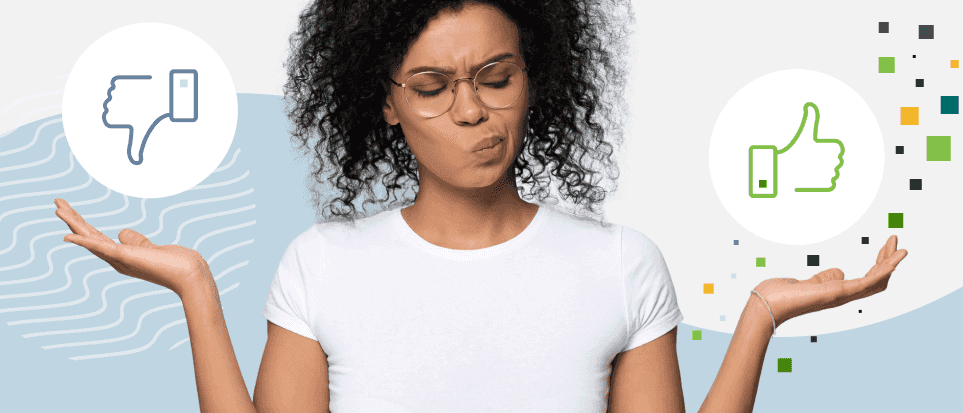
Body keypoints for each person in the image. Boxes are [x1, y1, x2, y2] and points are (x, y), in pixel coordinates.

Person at [53, 0, 909, 412]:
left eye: (496, 79)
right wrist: (196, 289)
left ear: (537, 77)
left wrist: (758, 315)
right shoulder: (323, 263)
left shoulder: (621, 264)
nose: (472, 111)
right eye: (432, 88)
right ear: (383, 102)